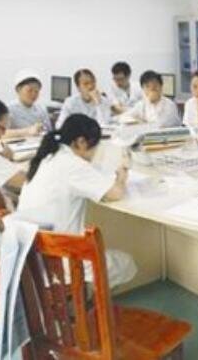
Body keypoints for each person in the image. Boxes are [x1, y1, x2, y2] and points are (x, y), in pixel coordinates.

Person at [16, 114, 137, 288]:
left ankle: (81, 300)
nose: (94, 154)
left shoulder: (46, 157)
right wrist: (122, 175)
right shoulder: (71, 164)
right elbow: (116, 193)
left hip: (34, 259)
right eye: (94, 147)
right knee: (126, 263)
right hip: (62, 262)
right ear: (81, 142)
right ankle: (87, 301)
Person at [6, 68, 52, 138]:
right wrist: (27, 131)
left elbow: (49, 131)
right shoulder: (9, 109)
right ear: (18, 90)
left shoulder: (41, 109)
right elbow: (1, 133)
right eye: (29, 90)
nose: (33, 94)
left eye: (36, 91)